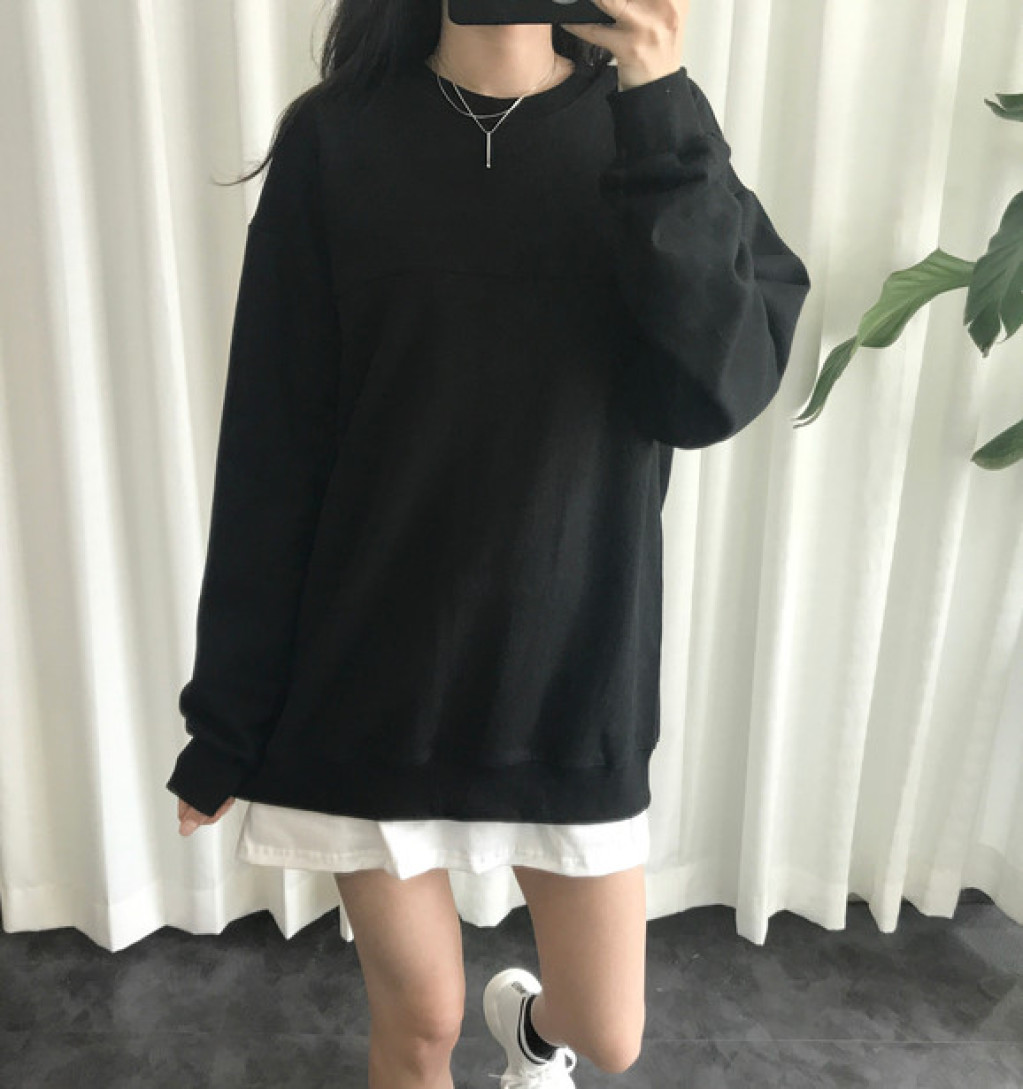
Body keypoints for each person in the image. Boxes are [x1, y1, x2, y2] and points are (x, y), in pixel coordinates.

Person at [166, 0, 812, 1086]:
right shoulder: (338, 138)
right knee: (420, 1022)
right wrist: (225, 720)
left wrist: (657, 94)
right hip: (369, 680)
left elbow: (711, 393)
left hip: (572, 675)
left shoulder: (654, 131)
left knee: (608, 1032)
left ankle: (534, 1036)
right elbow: (273, 445)